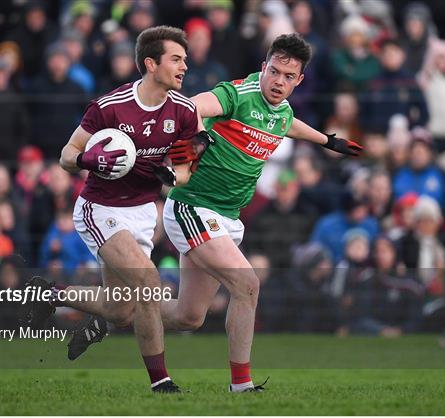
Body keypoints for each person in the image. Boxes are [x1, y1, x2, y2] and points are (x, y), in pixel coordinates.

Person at [39, 33, 362, 392]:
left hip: (227, 216)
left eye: (289, 77)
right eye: (274, 72)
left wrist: (327, 141)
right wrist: (197, 141)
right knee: (247, 284)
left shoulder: (281, 111)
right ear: (263, 68)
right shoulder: (237, 94)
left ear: (299, 80)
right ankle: (240, 385)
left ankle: (98, 309)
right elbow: (192, 107)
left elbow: (287, 125)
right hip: (194, 207)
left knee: (187, 317)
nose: (279, 82)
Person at [23, 26, 200, 393]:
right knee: (150, 282)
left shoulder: (184, 111)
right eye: (177, 59)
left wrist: (176, 175)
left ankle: (50, 293)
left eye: (185, 59)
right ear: (151, 64)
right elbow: (66, 156)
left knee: (121, 311)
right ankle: (161, 381)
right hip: (100, 208)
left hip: (141, 211)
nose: (185, 66)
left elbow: (187, 157)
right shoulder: (109, 107)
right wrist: (90, 158)